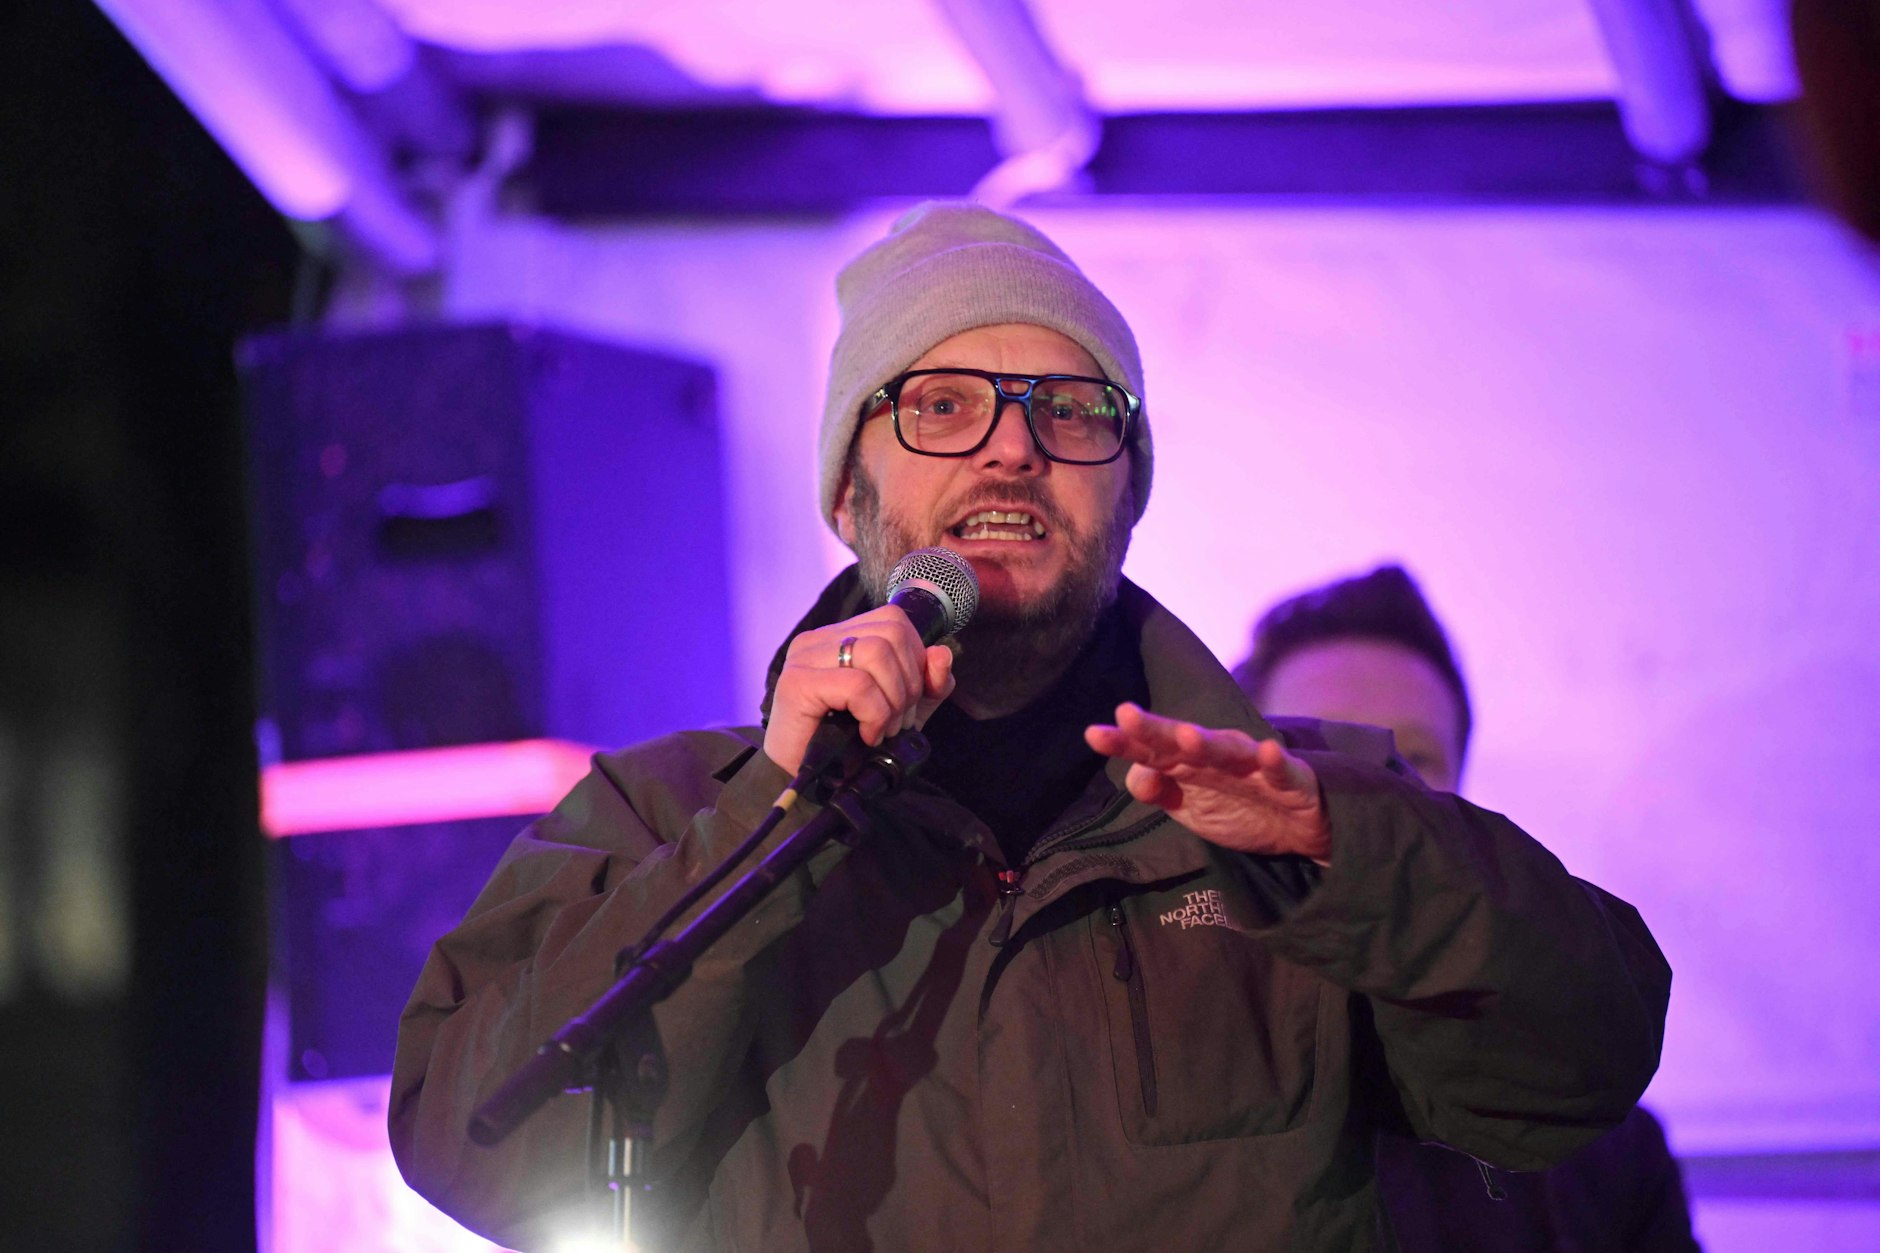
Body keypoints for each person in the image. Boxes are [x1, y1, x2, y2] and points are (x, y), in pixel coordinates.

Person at [389, 203, 1672, 1252]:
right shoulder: (668, 812)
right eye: (941, 405)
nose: (1011, 450)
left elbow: (1581, 1063)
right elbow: (473, 1144)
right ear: (850, 487)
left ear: (1126, 491)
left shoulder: (1305, 806)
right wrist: (768, 805)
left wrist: (1343, 848)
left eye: (1069, 412)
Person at [1234, 563, 1700, 1251]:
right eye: (1320, 750)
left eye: (1412, 758)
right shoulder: (1154, 1089)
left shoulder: (1602, 1141)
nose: (1376, 788)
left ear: (1466, 792)